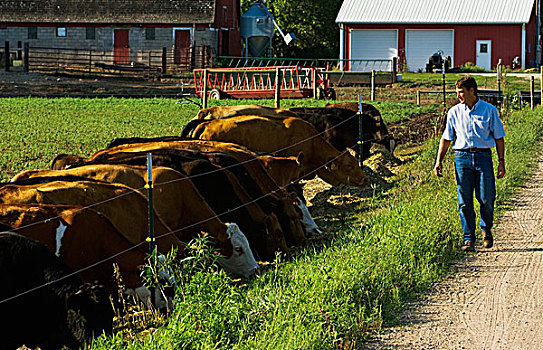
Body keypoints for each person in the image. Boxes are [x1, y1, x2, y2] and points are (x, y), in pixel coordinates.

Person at [433, 76, 506, 252]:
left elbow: (499, 137)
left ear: (471, 91)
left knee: (487, 198)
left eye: (461, 92)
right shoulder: (454, 112)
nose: (459, 96)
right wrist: (439, 161)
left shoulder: (489, 111)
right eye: (457, 92)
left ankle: (486, 229)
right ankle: (469, 239)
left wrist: (501, 162)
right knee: (464, 201)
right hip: (462, 158)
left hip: (483, 157)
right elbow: (446, 138)